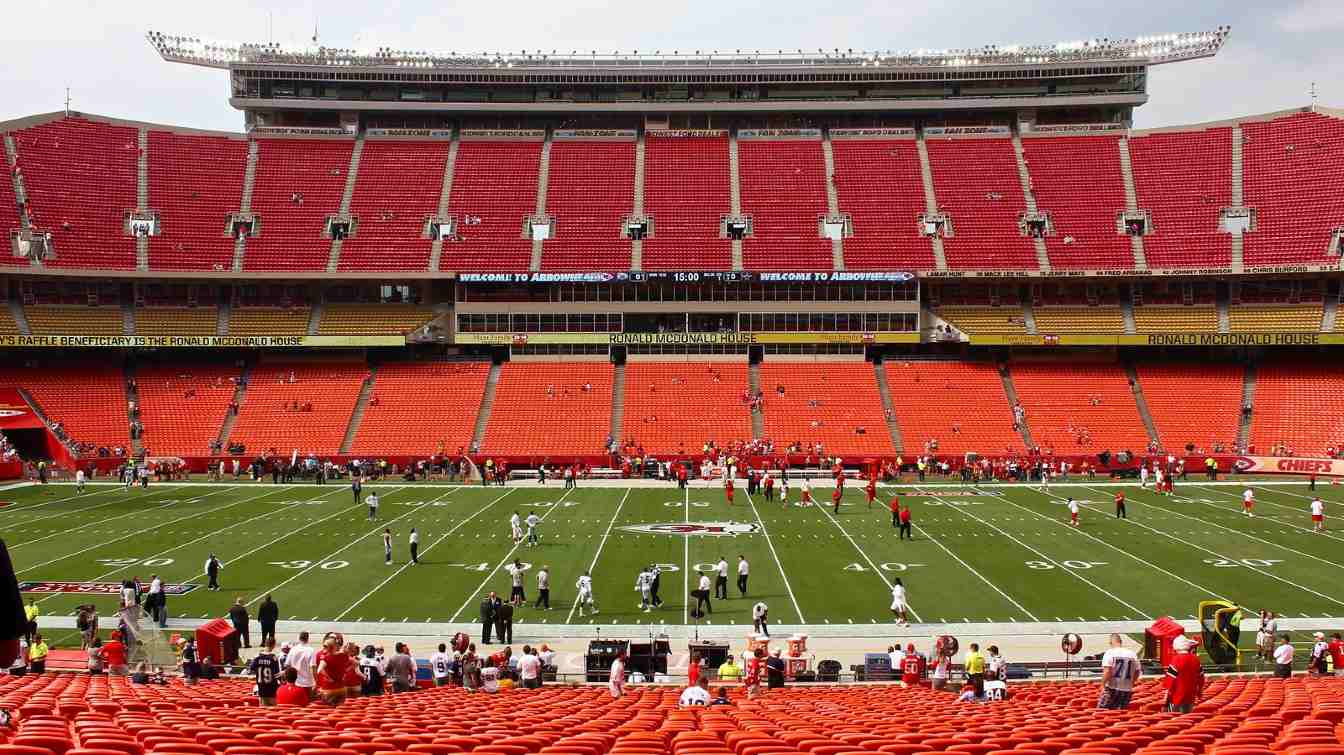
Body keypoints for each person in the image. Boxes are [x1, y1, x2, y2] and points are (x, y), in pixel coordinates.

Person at [1098, 633, 1141, 709]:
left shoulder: (1110, 653)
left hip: (1112, 688)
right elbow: (1137, 671)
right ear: (1121, 641)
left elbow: (1107, 671)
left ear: (1110, 643)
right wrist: (1131, 682)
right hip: (1127, 690)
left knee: (1102, 712)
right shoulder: (1132, 654)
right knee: (1121, 713)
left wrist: (1102, 685)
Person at [1163, 635, 1203, 713]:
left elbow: (1170, 683)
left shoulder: (1176, 660)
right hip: (1191, 696)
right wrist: (1199, 692)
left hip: (1176, 697)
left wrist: (1165, 701)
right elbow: (1201, 678)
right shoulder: (1196, 660)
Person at [249, 637, 282, 706]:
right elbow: (277, 674)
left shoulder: (257, 657)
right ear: (273, 645)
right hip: (272, 688)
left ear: (265, 643)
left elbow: (251, 668)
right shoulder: (274, 658)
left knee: (264, 710)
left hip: (261, 688)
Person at [285, 631, 317, 700]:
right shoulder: (311, 650)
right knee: (307, 703)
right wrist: (316, 681)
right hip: (307, 683)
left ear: (299, 638)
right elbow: (313, 667)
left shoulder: (293, 649)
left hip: (295, 682)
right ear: (307, 639)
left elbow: (287, 665)